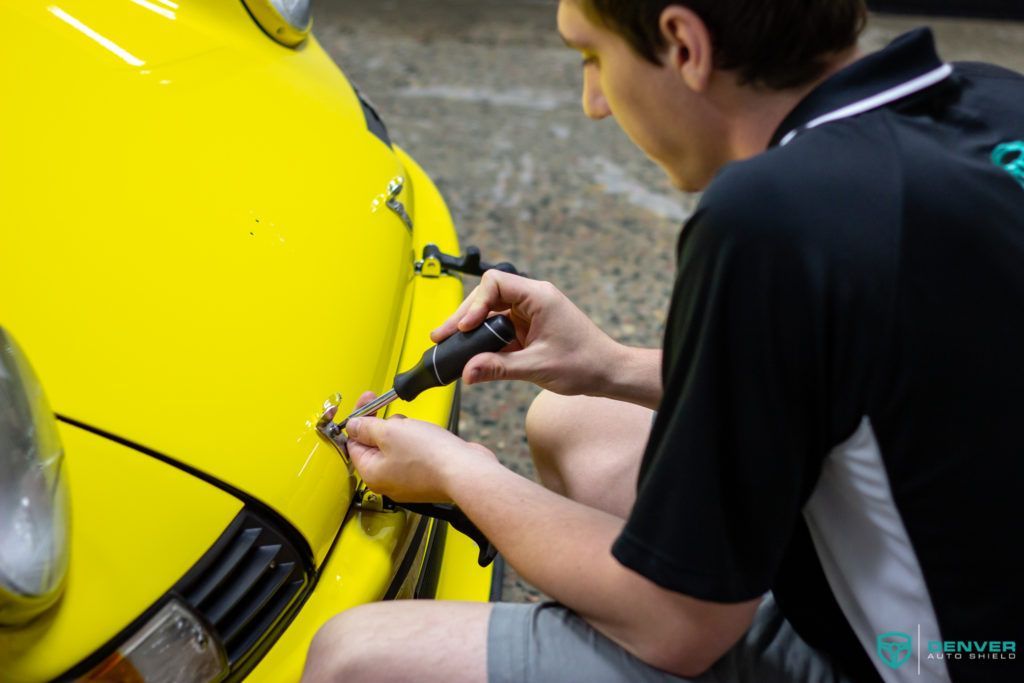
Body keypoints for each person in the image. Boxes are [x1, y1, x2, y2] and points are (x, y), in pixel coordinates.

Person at [303, 0, 1024, 681]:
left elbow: (680, 624)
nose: (595, 101)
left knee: (353, 657)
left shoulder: (774, 215)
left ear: (685, 45)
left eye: (593, 56)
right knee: (573, 418)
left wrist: (462, 473)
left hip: (933, 656)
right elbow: (893, 371)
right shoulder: (992, 102)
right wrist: (607, 365)